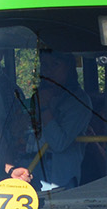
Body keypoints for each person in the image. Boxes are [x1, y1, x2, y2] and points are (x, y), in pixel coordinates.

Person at [26, 50, 92, 188]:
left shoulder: (78, 101)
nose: (48, 71)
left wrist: (44, 108)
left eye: (55, 64)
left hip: (58, 180)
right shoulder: (36, 98)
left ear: (68, 67)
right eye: (44, 65)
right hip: (27, 173)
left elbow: (59, 143)